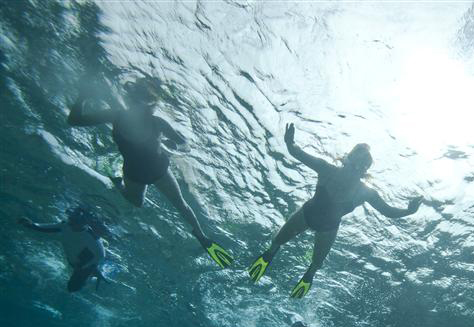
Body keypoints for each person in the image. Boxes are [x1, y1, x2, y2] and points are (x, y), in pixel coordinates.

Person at [67, 77, 233, 268]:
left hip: (158, 169)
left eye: (151, 104)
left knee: (180, 204)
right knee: (137, 202)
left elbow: (185, 144)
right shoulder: (117, 115)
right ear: (135, 100)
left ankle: (201, 236)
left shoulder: (157, 122)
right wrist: (82, 97)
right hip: (136, 173)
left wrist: (174, 146)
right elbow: (74, 120)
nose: (147, 108)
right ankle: (117, 181)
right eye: (145, 102)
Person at [249, 123, 422, 298]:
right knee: (283, 244)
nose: (356, 167)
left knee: (312, 261)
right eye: (357, 161)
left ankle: (301, 270)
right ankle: (274, 257)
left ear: (364, 169)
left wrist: (409, 211)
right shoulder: (334, 173)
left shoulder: (361, 189)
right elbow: (297, 153)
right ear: (349, 159)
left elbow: (388, 211)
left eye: (361, 164)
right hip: (316, 219)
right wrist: (289, 143)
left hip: (321, 223)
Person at [18, 206, 110, 292]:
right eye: (71, 220)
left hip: (81, 263)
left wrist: (84, 267)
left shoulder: (91, 237)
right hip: (79, 263)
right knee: (73, 285)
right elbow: (45, 228)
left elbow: (100, 256)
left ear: (84, 223)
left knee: (73, 285)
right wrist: (31, 225)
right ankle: (91, 274)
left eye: (74, 221)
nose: (71, 223)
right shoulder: (65, 225)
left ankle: (92, 274)